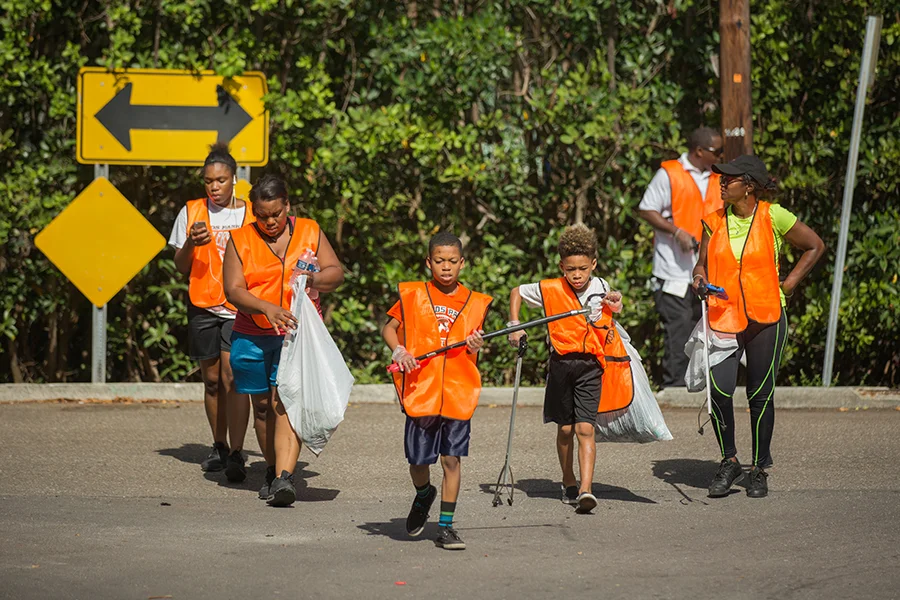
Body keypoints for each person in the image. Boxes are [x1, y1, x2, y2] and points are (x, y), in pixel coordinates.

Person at [692, 155, 825, 499]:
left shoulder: (773, 215)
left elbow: (814, 246)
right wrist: (699, 280)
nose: (722, 184)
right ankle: (729, 460)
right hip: (723, 316)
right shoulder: (713, 221)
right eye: (721, 179)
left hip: (767, 317)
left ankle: (759, 468)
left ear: (748, 184)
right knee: (720, 391)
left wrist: (790, 284)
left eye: (729, 179)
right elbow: (701, 265)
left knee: (759, 394)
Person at [222, 174, 345, 505]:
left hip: (296, 337)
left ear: (287, 206)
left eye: (275, 214)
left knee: (286, 403)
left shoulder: (309, 230)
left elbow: (336, 272)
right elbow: (233, 290)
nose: (270, 222)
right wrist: (265, 307)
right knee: (262, 407)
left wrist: (315, 278)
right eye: (262, 215)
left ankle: (284, 478)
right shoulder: (240, 239)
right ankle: (273, 470)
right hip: (252, 334)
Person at [507, 224, 632, 514]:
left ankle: (586, 490)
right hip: (561, 365)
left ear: (594, 265)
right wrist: (515, 326)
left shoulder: (600, 285)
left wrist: (617, 303)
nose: (577, 275)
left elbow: (614, 306)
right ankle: (569, 480)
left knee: (585, 428)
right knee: (565, 430)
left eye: (583, 269)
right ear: (562, 266)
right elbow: (516, 293)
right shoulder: (549, 288)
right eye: (571, 269)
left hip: (591, 365)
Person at [382, 232, 491, 551]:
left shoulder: (475, 302)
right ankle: (423, 493)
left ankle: (446, 526)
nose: (446, 267)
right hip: (421, 391)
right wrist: (398, 350)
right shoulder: (413, 295)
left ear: (463, 263)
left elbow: (477, 343)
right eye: (440, 261)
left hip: (458, 393)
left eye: (453, 261)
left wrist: (476, 345)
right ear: (429, 262)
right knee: (417, 461)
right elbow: (389, 327)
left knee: (452, 460)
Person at [168, 142, 254, 479]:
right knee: (212, 380)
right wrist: (192, 243)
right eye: (208, 181)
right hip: (202, 304)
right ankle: (218, 445)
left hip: (238, 308)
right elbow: (179, 266)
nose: (214, 187)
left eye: (220, 180)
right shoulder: (191, 212)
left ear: (234, 179)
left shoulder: (249, 214)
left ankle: (237, 450)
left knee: (233, 377)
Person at [639, 127, 724, 388]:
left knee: (711, 330)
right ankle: (675, 386)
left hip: (708, 269)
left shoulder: (716, 177)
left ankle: (706, 385)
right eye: (717, 151)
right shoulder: (670, 173)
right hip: (673, 270)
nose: (721, 156)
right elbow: (646, 208)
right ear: (700, 151)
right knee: (678, 330)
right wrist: (676, 231)